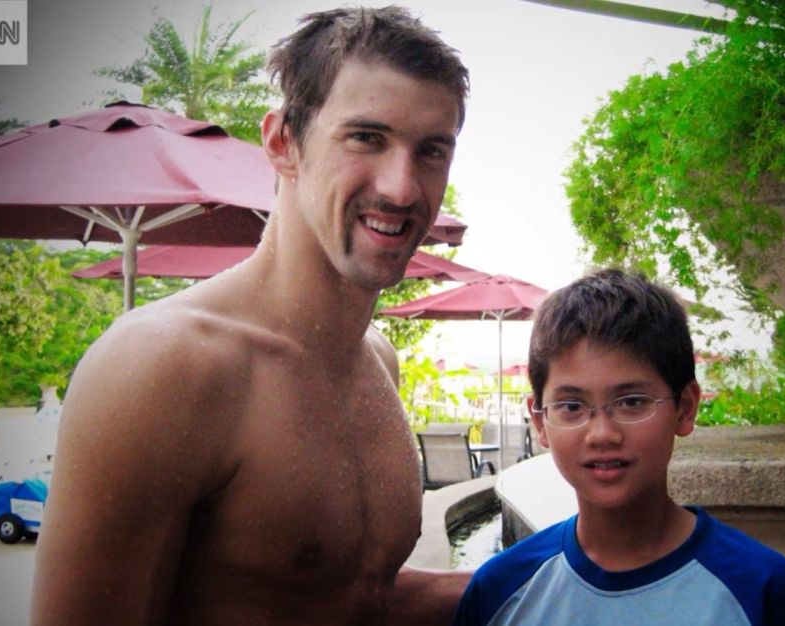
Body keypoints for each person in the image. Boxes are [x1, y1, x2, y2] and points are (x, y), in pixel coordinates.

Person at [32, 6, 471, 625]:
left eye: (430, 150)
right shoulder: (163, 366)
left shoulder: (377, 360)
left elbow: (345, 595)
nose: (402, 188)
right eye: (366, 138)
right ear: (282, 142)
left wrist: (568, 570)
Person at [453, 269, 785, 626]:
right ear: (540, 422)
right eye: (571, 407)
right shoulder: (499, 591)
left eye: (632, 402)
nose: (602, 433)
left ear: (685, 408)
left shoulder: (765, 591)